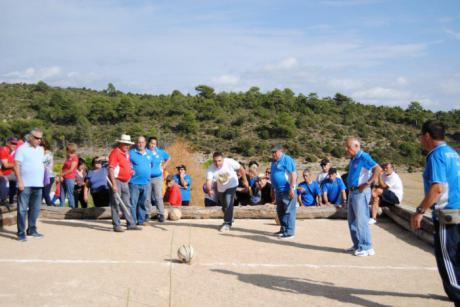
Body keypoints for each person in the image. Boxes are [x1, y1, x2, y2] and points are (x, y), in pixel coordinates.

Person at [410, 120, 460, 304]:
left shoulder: (436, 155)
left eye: (422, 137)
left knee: (448, 261)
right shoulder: (454, 154)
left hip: (448, 215)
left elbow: (437, 188)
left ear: (427, 136)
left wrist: (419, 211)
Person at [344, 137, 381, 256]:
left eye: (348, 147)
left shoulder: (363, 157)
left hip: (360, 193)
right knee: (352, 220)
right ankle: (357, 244)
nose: (346, 149)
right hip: (352, 192)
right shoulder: (354, 158)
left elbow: (378, 169)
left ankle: (366, 247)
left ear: (356, 146)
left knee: (361, 220)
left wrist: (367, 183)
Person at [14, 128, 45, 241]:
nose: (39, 140)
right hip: (25, 184)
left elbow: (40, 164)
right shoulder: (21, 149)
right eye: (37, 138)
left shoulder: (41, 149)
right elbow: (16, 165)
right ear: (30, 137)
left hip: (38, 184)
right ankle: (21, 233)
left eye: (41, 138)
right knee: (22, 209)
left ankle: (32, 230)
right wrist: (20, 181)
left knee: (35, 209)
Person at [206, 152, 248, 232]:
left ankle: (227, 223)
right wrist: (209, 189)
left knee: (229, 202)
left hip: (232, 184)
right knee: (224, 205)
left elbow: (241, 169)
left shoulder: (229, 162)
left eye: (219, 161)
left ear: (223, 159)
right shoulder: (211, 168)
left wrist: (245, 181)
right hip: (221, 188)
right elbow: (209, 181)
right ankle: (230, 218)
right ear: (213, 161)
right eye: (215, 161)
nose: (217, 163)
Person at [108, 134, 141, 232]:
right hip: (117, 180)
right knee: (116, 203)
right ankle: (116, 225)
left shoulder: (126, 154)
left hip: (125, 181)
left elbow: (126, 166)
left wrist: (130, 171)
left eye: (128, 144)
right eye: (125, 144)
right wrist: (113, 184)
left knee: (126, 203)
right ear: (121, 143)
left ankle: (130, 223)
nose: (127, 146)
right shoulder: (115, 152)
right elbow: (111, 168)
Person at [270, 144, 297, 239]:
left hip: (287, 190)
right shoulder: (273, 161)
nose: (273, 154)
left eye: (275, 152)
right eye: (272, 152)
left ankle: (290, 232)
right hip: (278, 190)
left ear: (280, 151)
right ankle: (283, 229)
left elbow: (293, 174)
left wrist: (292, 188)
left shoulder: (287, 159)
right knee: (280, 211)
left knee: (289, 211)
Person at [129, 136, 153, 225]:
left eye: (142, 142)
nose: (140, 144)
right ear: (136, 143)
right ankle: (132, 221)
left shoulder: (150, 154)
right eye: (139, 142)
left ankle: (141, 220)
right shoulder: (131, 153)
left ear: (145, 143)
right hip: (134, 182)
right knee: (133, 203)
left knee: (143, 203)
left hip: (146, 182)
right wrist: (130, 169)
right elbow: (126, 163)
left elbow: (152, 165)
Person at [148, 137, 171, 222]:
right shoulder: (146, 152)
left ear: (156, 144)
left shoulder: (160, 152)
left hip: (158, 177)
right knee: (147, 197)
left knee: (158, 196)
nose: (152, 145)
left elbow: (169, 158)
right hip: (147, 177)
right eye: (151, 143)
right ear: (148, 143)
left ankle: (161, 214)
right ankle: (147, 214)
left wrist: (164, 166)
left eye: (154, 143)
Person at [59, 143, 78, 208]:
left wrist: (61, 175)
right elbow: (63, 167)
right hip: (63, 178)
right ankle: (61, 207)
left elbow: (71, 169)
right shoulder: (68, 157)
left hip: (70, 178)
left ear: (71, 149)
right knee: (62, 194)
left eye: (68, 148)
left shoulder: (75, 158)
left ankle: (71, 208)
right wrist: (61, 175)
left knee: (70, 194)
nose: (66, 149)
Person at [0, 137, 18, 206]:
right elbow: (6, 165)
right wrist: (17, 164)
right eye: (12, 143)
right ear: (7, 143)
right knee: (4, 181)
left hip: (7, 174)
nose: (14, 145)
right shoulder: (4, 150)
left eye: (15, 144)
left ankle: (11, 200)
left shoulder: (10, 152)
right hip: (2, 174)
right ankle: (4, 200)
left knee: (17, 179)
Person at [41, 140, 55, 206]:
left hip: (48, 176)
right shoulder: (40, 153)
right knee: (40, 193)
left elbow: (45, 164)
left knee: (45, 193)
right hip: (41, 176)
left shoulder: (49, 154)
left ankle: (51, 206)